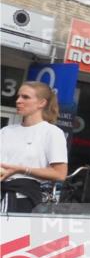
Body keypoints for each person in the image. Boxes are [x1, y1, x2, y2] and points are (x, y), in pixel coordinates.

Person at [0, 82, 68, 213]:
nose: (18, 101)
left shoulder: (51, 132)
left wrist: (21, 169)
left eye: (25, 97)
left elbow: (60, 174)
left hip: (22, 199)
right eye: (18, 96)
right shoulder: (6, 131)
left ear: (42, 103)